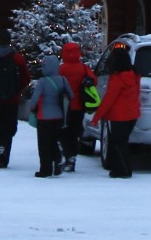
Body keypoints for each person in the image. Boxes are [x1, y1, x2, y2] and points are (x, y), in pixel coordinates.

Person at [92, 42, 140, 178]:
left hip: (119, 116)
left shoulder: (118, 79)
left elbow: (108, 100)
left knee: (118, 144)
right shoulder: (134, 75)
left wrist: (97, 118)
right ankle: (123, 169)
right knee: (122, 143)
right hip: (132, 114)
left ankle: (123, 170)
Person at [30, 57, 73, 177]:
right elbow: (71, 95)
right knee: (54, 141)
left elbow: (34, 99)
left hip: (44, 117)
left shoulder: (42, 82)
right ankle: (57, 162)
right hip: (59, 117)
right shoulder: (63, 80)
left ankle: (45, 169)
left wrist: (32, 108)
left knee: (44, 144)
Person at [58, 40, 96, 173]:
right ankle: (73, 156)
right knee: (74, 133)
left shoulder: (61, 69)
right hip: (79, 106)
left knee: (63, 132)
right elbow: (94, 81)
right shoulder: (84, 68)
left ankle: (67, 155)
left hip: (64, 106)